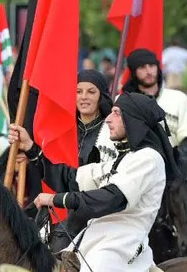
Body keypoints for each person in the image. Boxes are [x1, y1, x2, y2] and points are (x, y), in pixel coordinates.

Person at [10, 92, 177, 271]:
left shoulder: (149, 158)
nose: (108, 119)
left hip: (122, 245)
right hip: (94, 239)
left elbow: (111, 198)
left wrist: (55, 199)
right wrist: (31, 149)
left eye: (116, 113)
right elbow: (71, 179)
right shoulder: (122, 159)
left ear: (134, 120)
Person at [44, 69, 116, 253]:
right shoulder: (62, 131)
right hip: (56, 209)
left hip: (97, 214)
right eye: (78, 91)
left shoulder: (112, 132)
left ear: (101, 96)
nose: (84, 97)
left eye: (91, 92)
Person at [122, 48, 187, 160]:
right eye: (142, 67)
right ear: (134, 72)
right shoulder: (124, 102)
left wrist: (176, 163)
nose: (149, 71)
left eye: (152, 66)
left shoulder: (179, 98)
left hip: (172, 168)